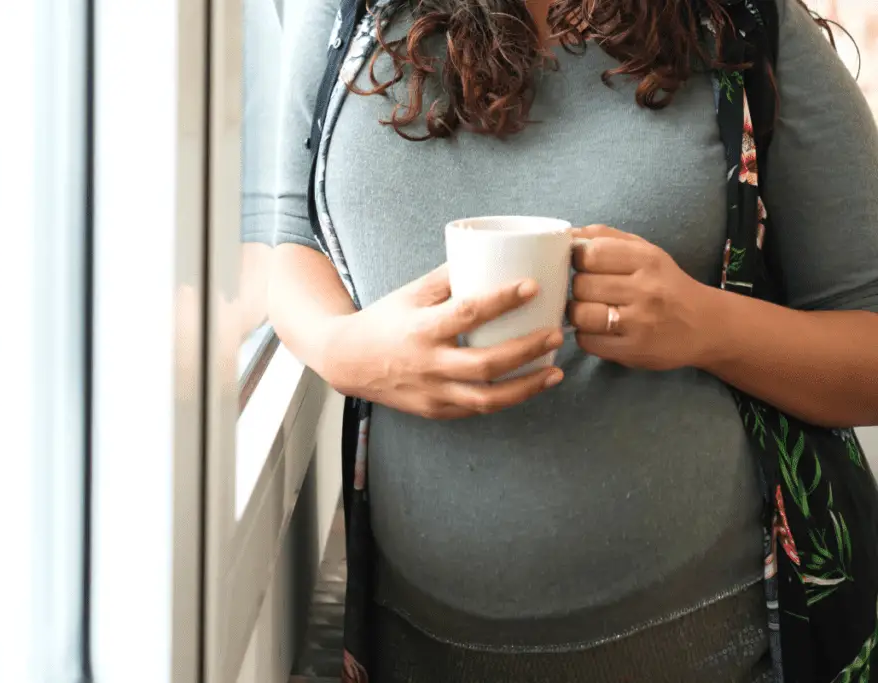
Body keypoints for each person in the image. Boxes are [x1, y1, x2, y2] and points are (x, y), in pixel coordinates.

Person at [268, 0, 878, 680]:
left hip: (720, 651)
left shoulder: (747, 23)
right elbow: (284, 232)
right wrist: (342, 351)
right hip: (410, 651)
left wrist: (706, 325)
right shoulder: (342, 14)